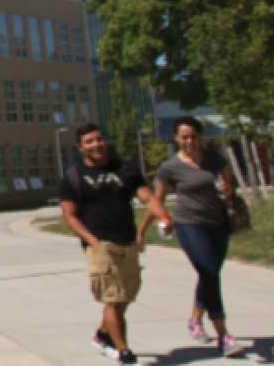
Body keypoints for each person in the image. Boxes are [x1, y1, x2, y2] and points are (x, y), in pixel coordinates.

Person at [60, 124, 170, 366]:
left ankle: (102, 334)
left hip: (128, 242)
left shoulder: (126, 168)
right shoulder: (74, 176)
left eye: (99, 139)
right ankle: (124, 352)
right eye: (89, 142)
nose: (96, 145)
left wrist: (164, 217)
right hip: (101, 245)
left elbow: (148, 197)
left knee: (124, 298)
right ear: (80, 148)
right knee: (113, 297)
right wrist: (92, 241)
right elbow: (70, 216)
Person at [141, 116, 244, 357]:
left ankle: (195, 320)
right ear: (176, 138)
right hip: (188, 224)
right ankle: (224, 335)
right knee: (208, 273)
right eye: (184, 137)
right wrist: (142, 231)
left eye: (194, 137)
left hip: (217, 224)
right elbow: (157, 200)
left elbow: (230, 185)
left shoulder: (214, 159)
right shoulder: (170, 168)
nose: (190, 141)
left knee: (209, 274)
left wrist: (229, 189)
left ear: (200, 137)